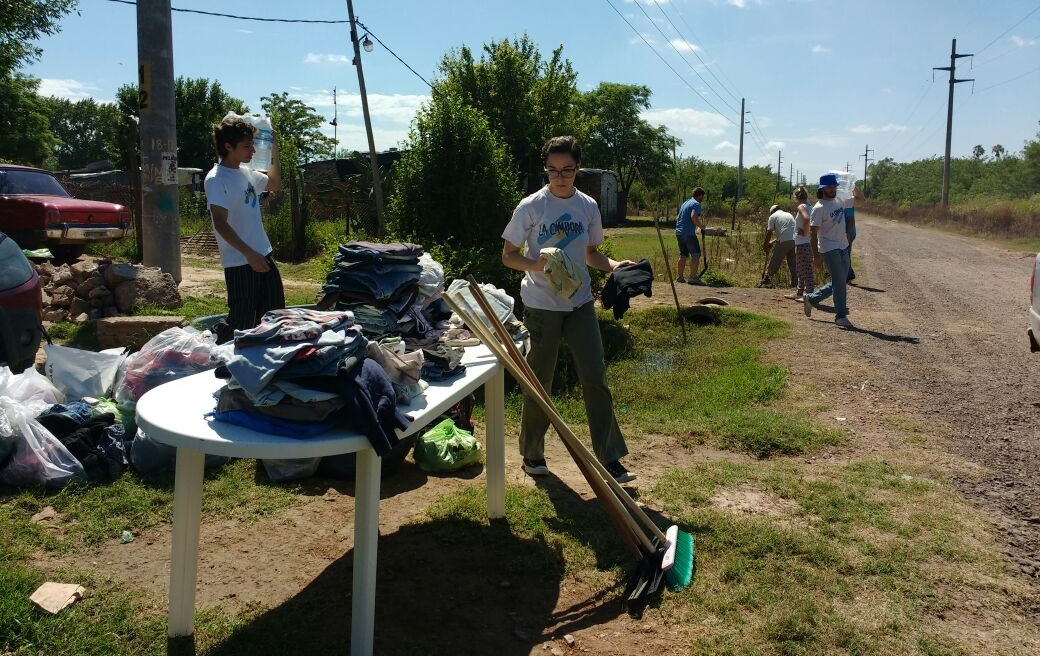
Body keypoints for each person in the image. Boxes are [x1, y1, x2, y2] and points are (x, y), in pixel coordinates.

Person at [501, 135, 637, 483]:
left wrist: (616, 264)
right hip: (541, 305)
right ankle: (532, 454)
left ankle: (610, 459)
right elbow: (509, 255)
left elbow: (591, 254)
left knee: (595, 377)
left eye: (568, 170)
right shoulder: (531, 206)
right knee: (539, 382)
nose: (560, 177)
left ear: (578, 169)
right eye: (553, 171)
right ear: (545, 170)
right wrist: (541, 264)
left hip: (579, 303)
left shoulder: (588, 206)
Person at [204, 117, 284, 342]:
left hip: (263, 255)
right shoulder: (216, 179)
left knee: (275, 317)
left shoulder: (246, 173)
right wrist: (249, 253)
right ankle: (217, 351)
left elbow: (274, 184)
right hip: (240, 262)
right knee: (242, 324)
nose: (253, 150)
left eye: (253, 144)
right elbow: (220, 222)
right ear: (228, 146)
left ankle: (265, 368)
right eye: (247, 145)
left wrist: (274, 149)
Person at [803, 173, 854, 328]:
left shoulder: (840, 200)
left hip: (843, 245)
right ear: (823, 189)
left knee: (840, 281)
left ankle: (811, 299)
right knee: (840, 283)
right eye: (829, 187)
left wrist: (851, 183)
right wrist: (816, 256)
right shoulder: (819, 208)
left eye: (834, 186)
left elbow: (860, 199)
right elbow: (813, 234)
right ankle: (840, 316)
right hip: (828, 248)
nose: (833, 189)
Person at [786, 186, 815, 301]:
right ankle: (799, 292)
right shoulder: (810, 207)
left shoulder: (801, 206)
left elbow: (807, 219)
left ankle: (809, 295)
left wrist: (805, 231)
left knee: (806, 270)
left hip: (803, 243)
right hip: (807, 243)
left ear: (796, 198)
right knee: (801, 269)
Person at [760, 203, 797, 288]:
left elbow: (769, 233)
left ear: (772, 212)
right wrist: (772, 242)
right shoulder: (788, 214)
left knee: (775, 260)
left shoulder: (773, 217)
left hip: (785, 240)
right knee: (793, 262)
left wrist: (765, 245)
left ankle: (766, 280)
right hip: (795, 240)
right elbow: (786, 232)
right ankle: (795, 283)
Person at [674, 187, 706, 285]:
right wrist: (701, 226)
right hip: (688, 233)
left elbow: (678, 217)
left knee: (683, 255)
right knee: (695, 255)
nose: (702, 199)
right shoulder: (696, 204)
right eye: (702, 197)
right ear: (699, 195)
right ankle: (693, 277)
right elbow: (693, 216)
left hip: (679, 232)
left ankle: (680, 277)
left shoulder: (686, 203)